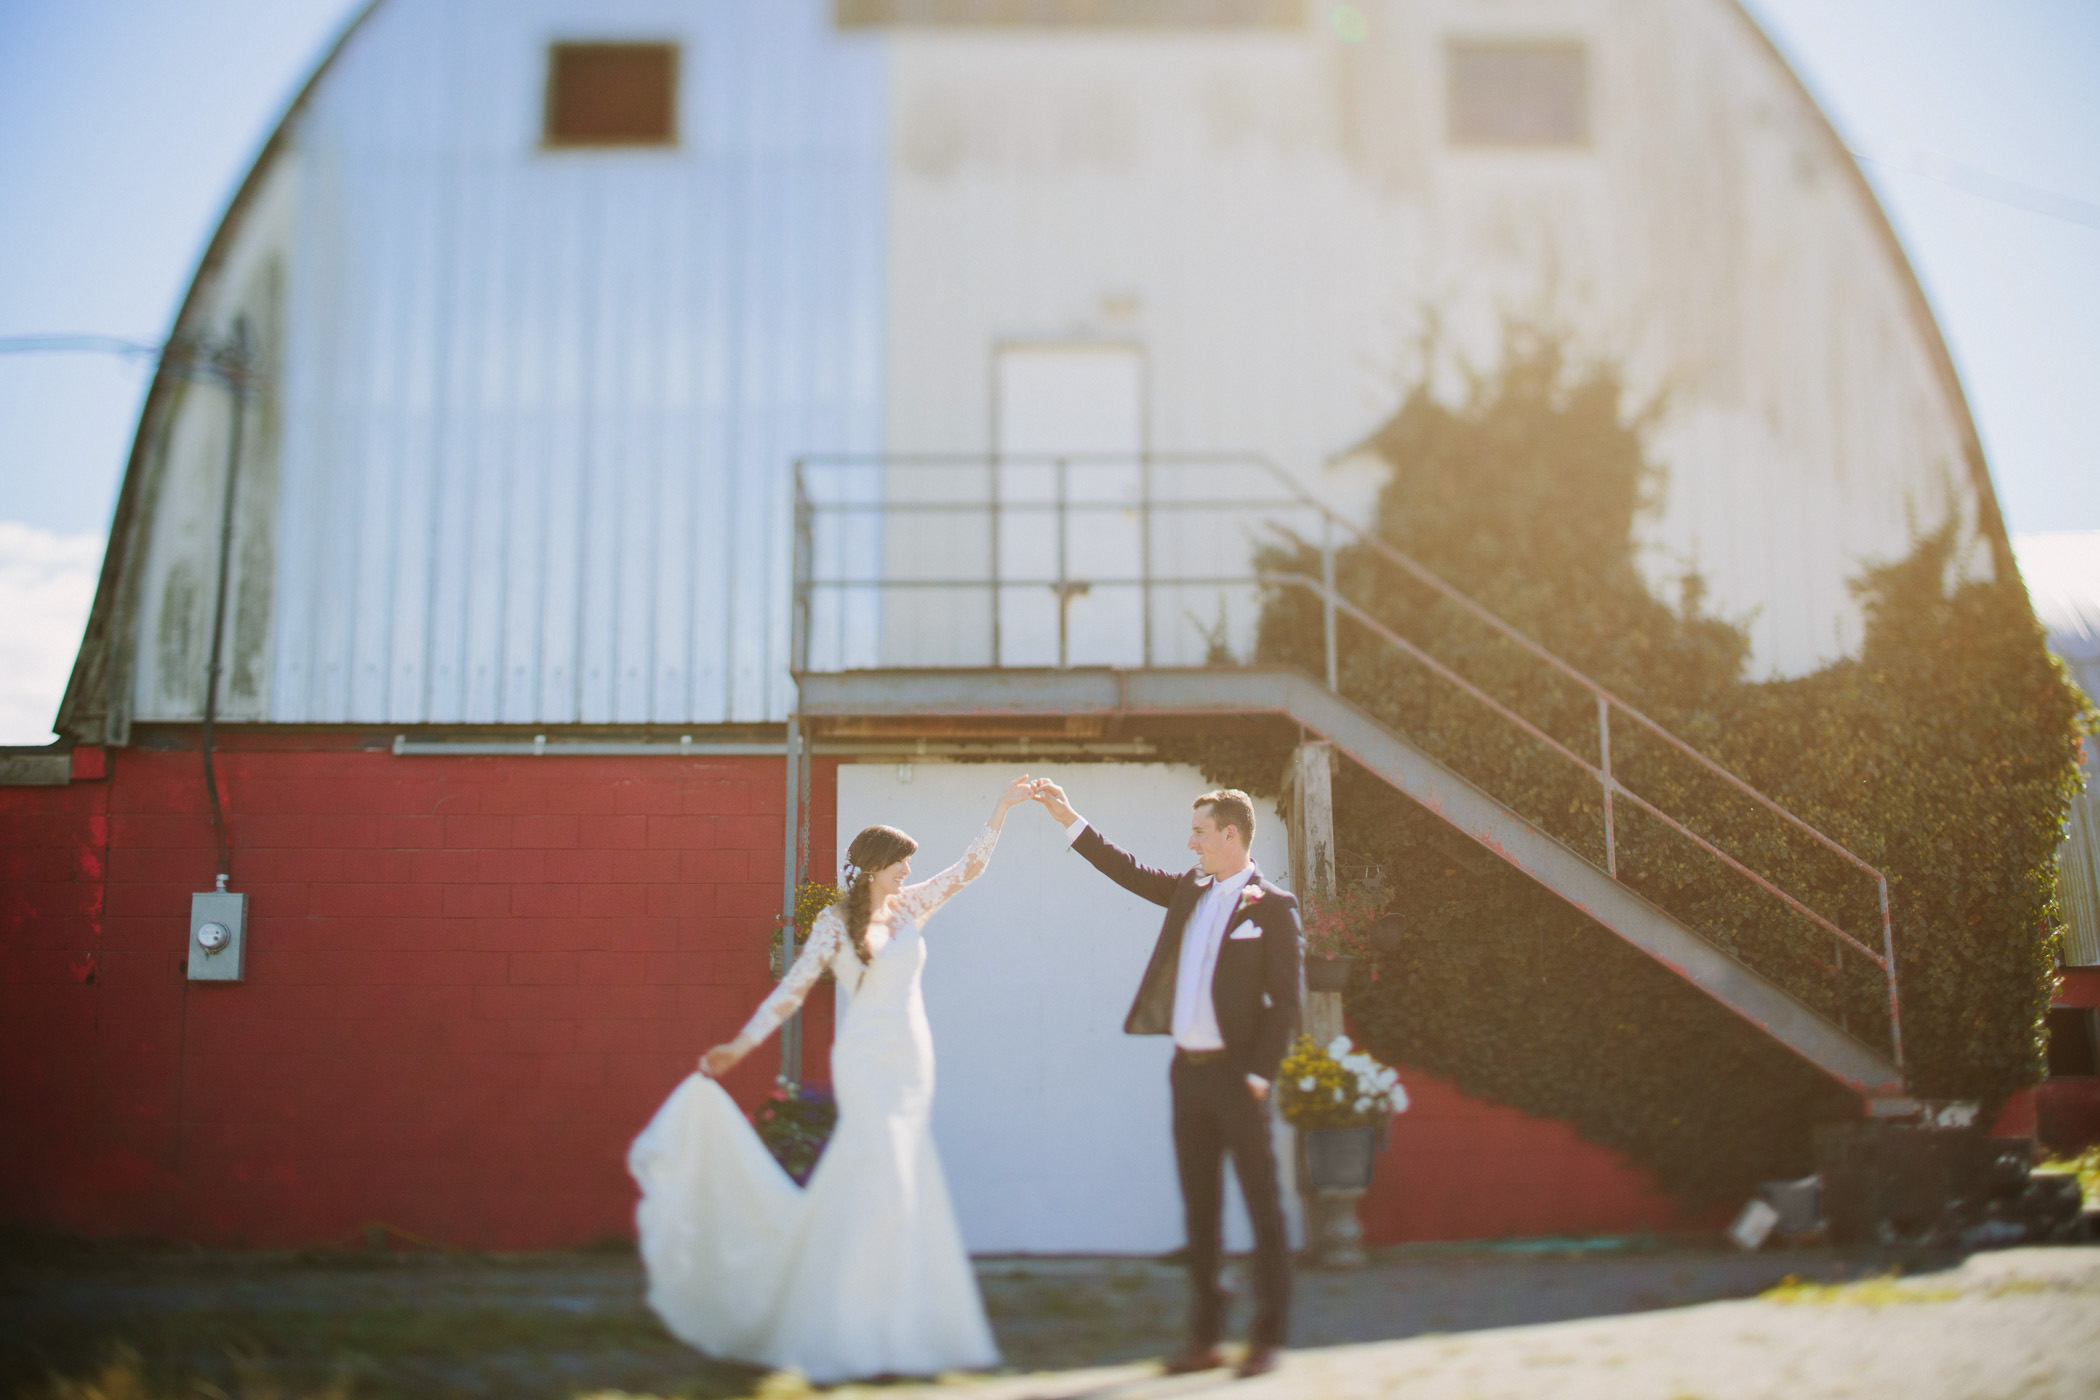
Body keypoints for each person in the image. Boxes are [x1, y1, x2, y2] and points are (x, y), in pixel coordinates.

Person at [625, 774, 1039, 1383]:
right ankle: (852, 1325)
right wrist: (740, 1046)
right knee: (873, 1173)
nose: (907, 872)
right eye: (899, 864)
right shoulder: (831, 924)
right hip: (866, 1060)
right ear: (872, 866)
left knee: (901, 1179)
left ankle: (898, 1328)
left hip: (912, 1058)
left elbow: (970, 867)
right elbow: (791, 994)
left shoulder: (913, 906)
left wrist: (1003, 806)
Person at [1029, 779, 1301, 1379]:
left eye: (1200, 832)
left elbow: (1285, 1003)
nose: (1190, 843)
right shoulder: (1190, 891)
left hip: (1239, 1080)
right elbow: (1128, 871)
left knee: (1262, 1208)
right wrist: (1069, 817)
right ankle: (1205, 1336)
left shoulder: (1272, 909)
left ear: (1231, 835)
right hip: (1189, 1074)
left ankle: (1268, 1335)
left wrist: (1258, 1078)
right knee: (1199, 1209)